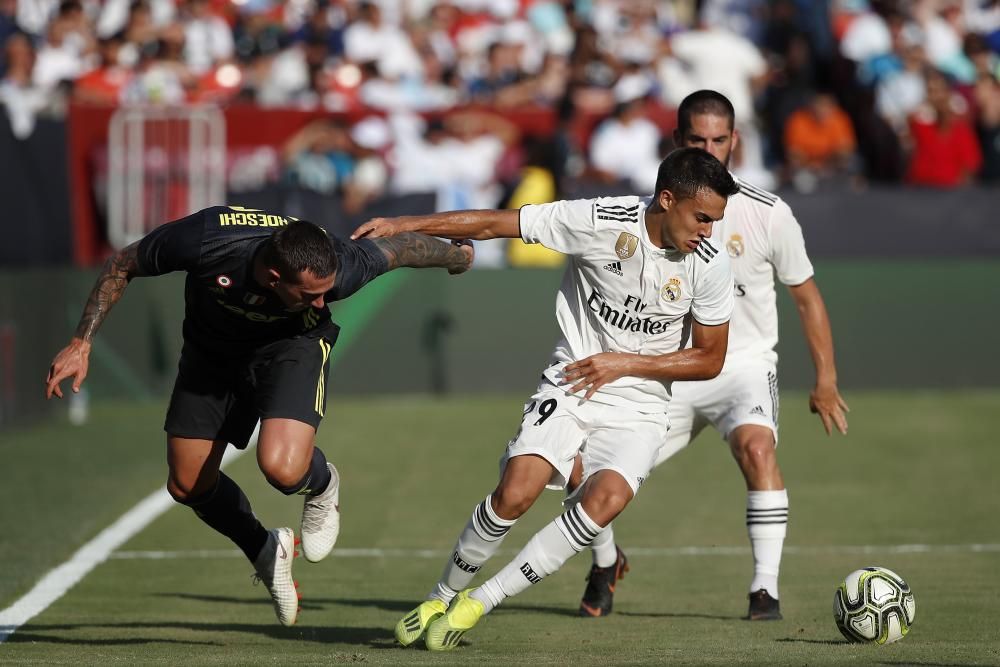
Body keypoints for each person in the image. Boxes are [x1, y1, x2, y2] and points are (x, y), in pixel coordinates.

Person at [352, 147, 740, 651]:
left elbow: (709, 358)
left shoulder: (709, 263)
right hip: (574, 379)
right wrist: (406, 224)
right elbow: (497, 224)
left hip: (642, 404)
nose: (709, 231)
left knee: (607, 500)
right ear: (667, 199)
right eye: (702, 218)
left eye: (715, 221)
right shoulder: (600, 220)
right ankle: (440, 596)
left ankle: (479, 603)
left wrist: (622, 362)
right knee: (516, 491)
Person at [45, 206, 473, 627]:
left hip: (292, 347)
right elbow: (123, 263)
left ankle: (322, 485)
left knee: (283, 470)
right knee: (187, 484)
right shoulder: (205, 239)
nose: (324, 299)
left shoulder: (340, 267)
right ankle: (264, 549)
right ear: (273, 277)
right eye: (309, 295)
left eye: (326, 291)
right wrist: (81, 343)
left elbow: (402, 249)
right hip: (211, 355)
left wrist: (458, 257)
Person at [572, 90, 849, 623]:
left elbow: (807, 297)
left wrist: (827, 379)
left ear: (734, 141)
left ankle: (764, 591)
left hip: (742, 366)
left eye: (719, 139)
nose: (710, 148)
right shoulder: (648, 213)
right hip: (668, 369)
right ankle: (606, 561)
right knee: (583, 469)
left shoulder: (769, 213)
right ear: (678, 142)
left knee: (757, 448)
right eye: (697, 139)